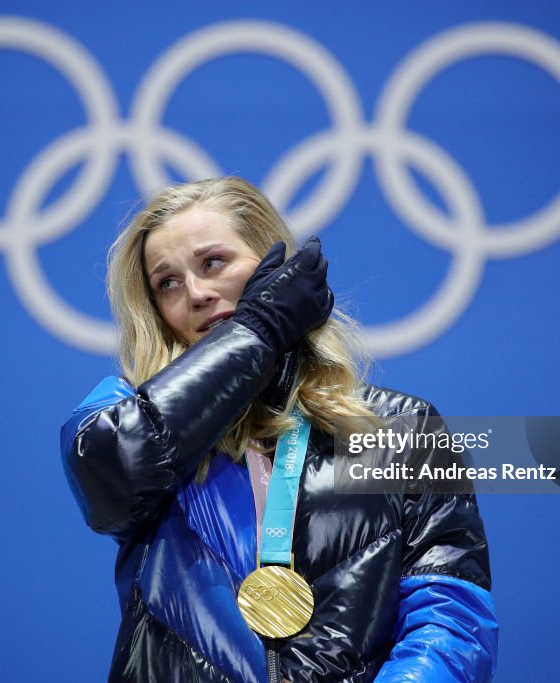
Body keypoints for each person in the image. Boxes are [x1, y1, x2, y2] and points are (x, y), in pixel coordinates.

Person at [61, 177, 498, 682]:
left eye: (213, 263)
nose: (198, 294)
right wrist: (259, 330)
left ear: (277, 267)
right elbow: (109, 477)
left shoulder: (402, 428)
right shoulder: (124, 415)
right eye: (168, 283)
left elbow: (450, 618)